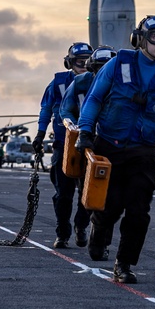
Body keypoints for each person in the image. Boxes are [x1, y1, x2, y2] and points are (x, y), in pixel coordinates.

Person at [76, 15, 155, 284]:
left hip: (142, 153)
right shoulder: (116, 64)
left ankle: (124, 264)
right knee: (107, 209)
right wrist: (85, 132)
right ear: (139, 39)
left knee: (138, 212)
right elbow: (94, 99)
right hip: (107, 147)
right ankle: (99, 230)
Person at [37, 41, 94, 248]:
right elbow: (46, 109)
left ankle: (81, 226)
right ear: (69, 63)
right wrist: (40, 133)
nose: (84, 66)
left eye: (88, 62)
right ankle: (62, 232)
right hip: (64, 144)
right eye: (80, 62)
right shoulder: (58, 84)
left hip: (90, 145)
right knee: (63, 193)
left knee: (88, 192)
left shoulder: (98, 82)